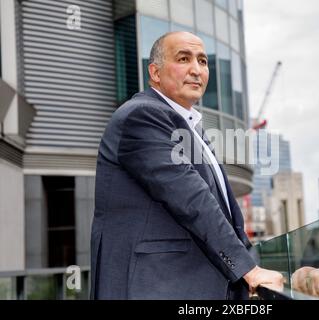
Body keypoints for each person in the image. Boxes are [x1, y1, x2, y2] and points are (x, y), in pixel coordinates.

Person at [90, 31, 283, 300]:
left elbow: (224, 211)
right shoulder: (142, 115)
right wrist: (248, 269)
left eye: (203, 61)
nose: (196, 70)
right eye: (184, 58)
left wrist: (251, 267)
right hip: (156, 288)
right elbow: (192, 199)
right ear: (155, 72)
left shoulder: (191, 129)